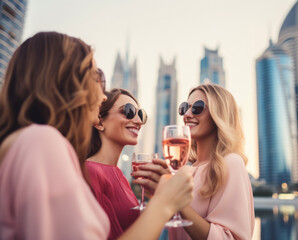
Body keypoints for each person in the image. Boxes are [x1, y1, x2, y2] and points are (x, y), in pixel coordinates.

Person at [0, 31, 193, 240]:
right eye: (95, 77)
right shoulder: (41, 142)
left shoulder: (32, 143)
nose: (102, 96)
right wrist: (164, 204)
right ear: (66, 81)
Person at [168, 84, 255, 240]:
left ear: (219, 115)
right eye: (184, 107)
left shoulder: (231, 163)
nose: (187, 114)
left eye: (198, 107)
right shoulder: (186, 171)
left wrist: (178, 202)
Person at [86, 88, 168, 239]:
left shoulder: (120, 175)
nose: (138, 121)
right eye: (129, 111)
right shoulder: (90, 172)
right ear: (99, 121)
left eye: (140, 115)